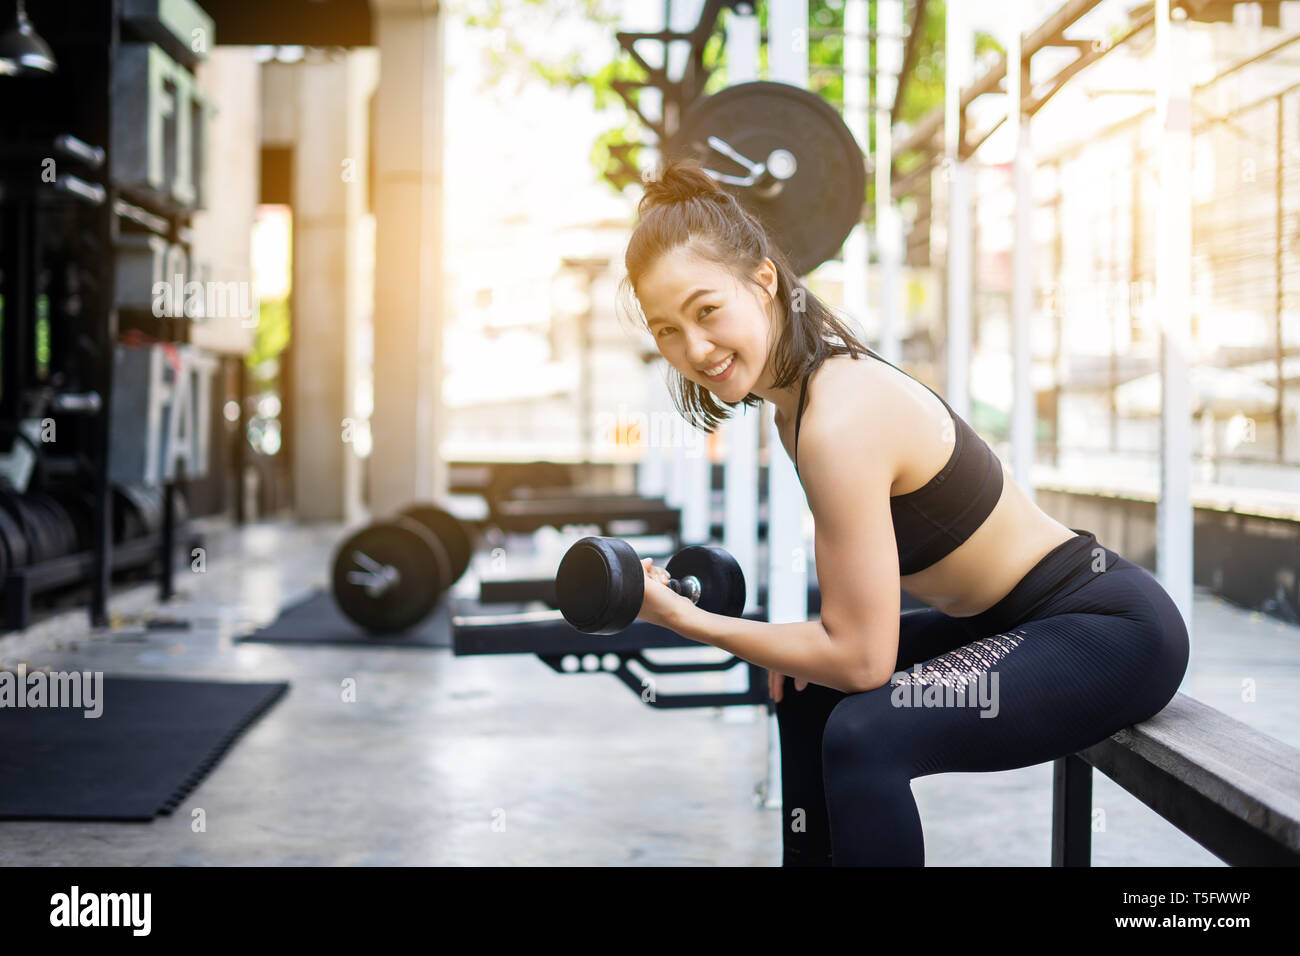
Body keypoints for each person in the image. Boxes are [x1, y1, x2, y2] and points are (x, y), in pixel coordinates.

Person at [616, 157, 1190, 867]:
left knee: (866, 734)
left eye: (707, 311)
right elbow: (854, 614)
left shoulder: (837, 416)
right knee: (803, 689)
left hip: (1105, 630)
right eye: (667, 330)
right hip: (1006, 623)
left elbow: (861, 659)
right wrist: (789, 645)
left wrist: (682, 618)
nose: (694, 349)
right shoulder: (796, 407)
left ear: (763, 281)